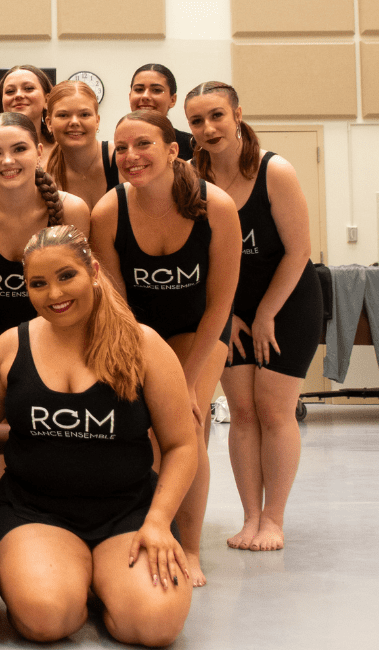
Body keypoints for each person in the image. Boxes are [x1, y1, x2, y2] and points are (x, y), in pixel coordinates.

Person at [0, 225, 197, 646]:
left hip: (129, 512)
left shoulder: (144, 346)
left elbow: (181, 445)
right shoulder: (8, 350)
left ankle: (102, 581)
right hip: (35, 511)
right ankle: (73, 581)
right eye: (38, 284)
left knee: (156, 626)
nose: (54, 294)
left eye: (66, 276)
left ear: (92, 270)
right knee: (45, 618)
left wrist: (159, 522)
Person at [89, 109, 241, 587]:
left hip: (199, 331)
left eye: (143, 145)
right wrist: (137, 366)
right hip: (136, 330)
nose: (130, 157)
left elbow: (220, 302)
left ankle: (189, 547)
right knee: (142, 431)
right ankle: (143, 526)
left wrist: (191, 382)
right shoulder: (108, 211)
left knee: (186, 425)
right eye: (121, 148)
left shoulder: (215, 207)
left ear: (173, 150)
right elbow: (115, 303)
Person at [185, 81, 321, 553]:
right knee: (240, 412)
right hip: (231, 308)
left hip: (288, 300)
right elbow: (199, 260)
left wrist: (264, 314)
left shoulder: (274, 171)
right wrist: (230, 314)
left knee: (274, 408)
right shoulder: (189, 178)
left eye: (217, 116)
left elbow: (299, 251)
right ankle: (248, 518)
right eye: (197, 121)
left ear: (238, 114)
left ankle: (274, 519)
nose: (208, 128)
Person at [0, 112, 90, 353]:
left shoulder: (72, 210)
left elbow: (80, 296)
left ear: (39, 152)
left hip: (62, 334)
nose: (7, 161)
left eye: (19, 149)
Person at [45, 80, 119, 211]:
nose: (74, 122)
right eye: (63, 115)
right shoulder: (45, 176)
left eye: (84, 114)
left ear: (97, 121)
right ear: (49, 123)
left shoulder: (120, 159)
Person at [0, 65, 55, 168]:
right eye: (10, 91)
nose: (18, 95)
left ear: (47, 100)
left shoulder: (63, 150)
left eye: (28, 88)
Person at [129, 64, 193, 161]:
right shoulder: (117, 147)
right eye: (139, 90)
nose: (145, 96)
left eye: (157, 90)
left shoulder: (193, 147)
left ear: (172, 100)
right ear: (130, 96)